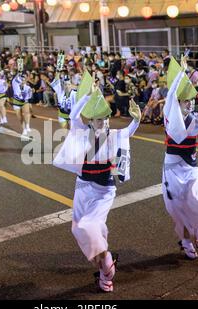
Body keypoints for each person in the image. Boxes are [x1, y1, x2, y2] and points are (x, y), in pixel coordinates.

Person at [53, 74, 141, 292]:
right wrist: (87, 97)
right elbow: (73, 116)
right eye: (100, 119)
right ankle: (104, 272)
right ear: (90, 121)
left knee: (89, 226)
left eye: (106, 118)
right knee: (80, 229)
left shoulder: (113, 136)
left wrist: (137, 119)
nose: (105, 122)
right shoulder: (82, 133)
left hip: (104, 191)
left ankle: (107, 266)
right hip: (83, 188)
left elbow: (128, 133)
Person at [162, 56, 198, 260]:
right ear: (178, 101)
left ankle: (197, 228)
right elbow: (170, 96)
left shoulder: (196, 117)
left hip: (191, 167)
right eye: (186, 100)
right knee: (177, 209)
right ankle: (186, 242)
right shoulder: (169, 115)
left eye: (192, 100)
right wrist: (181, 74)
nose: (190, 103)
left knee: (194, 200)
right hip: (171, 168)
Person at [12, 73, 33, 138]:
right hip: (16, 101)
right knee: (19, 117)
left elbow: (29, 97)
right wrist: (19, 72)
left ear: (26, 80)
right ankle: (24, 129)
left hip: (24, 101)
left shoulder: (28, 88)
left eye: (24, 80)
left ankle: (27, 125)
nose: (22, 81)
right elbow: (15, 78)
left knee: (26, 112)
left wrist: (25, 97)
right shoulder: (15, 83)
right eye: (21, 79)